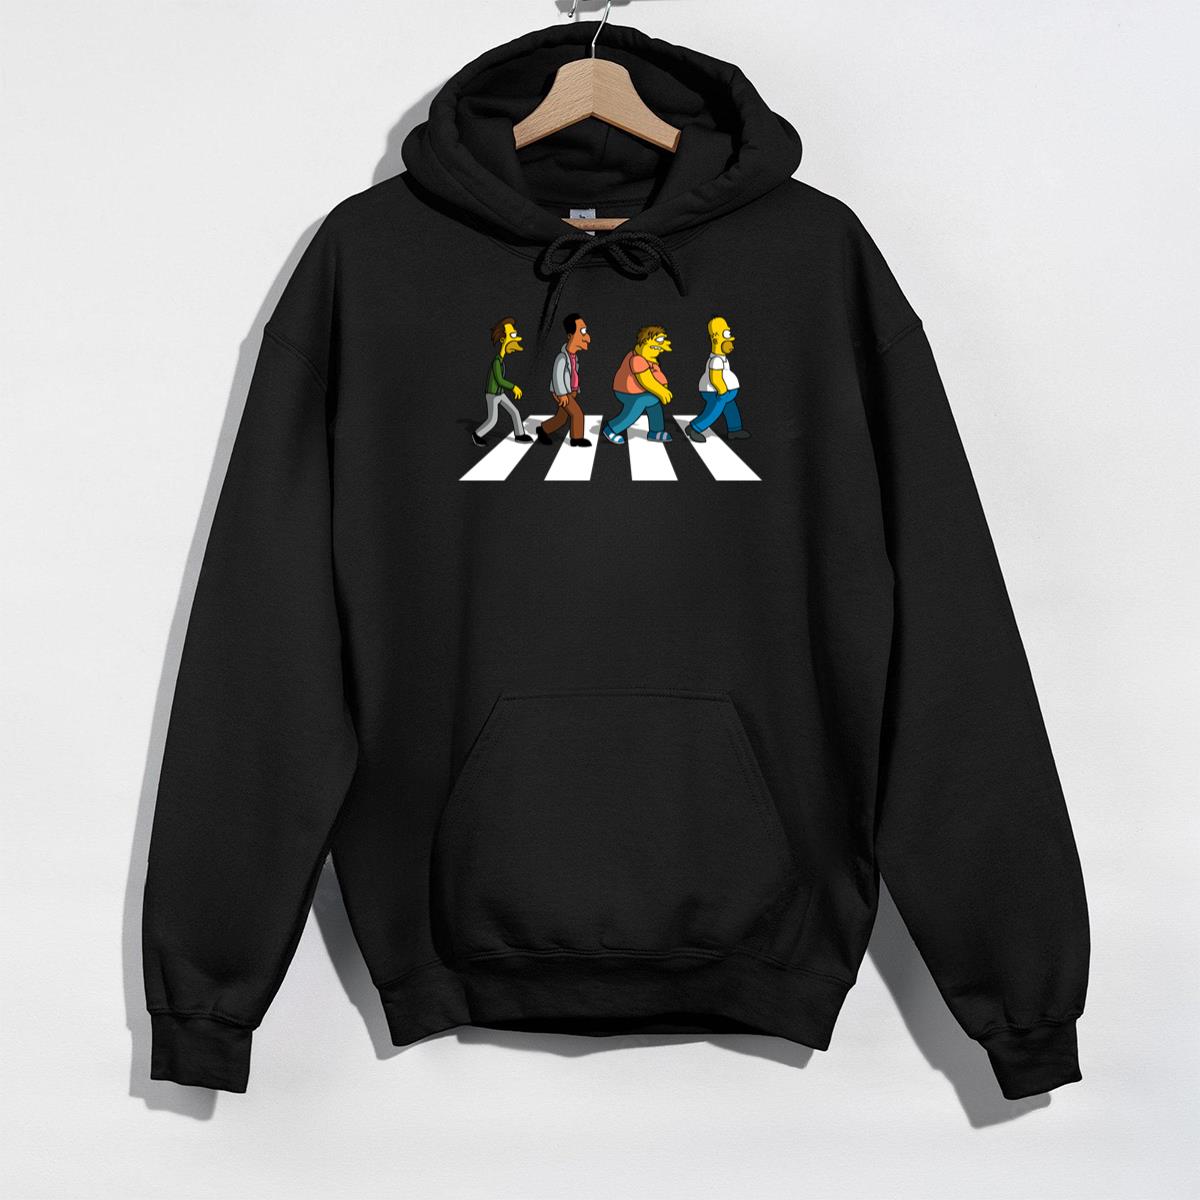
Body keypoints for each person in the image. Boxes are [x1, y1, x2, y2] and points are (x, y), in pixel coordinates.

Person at [602, 325, 674, 445]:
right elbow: (646, 380)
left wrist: (663, 387)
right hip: (626, 392)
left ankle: (656, 431)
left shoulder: (651, 360)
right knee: (640, 403)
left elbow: (658, 377)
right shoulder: (637, 359)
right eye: (657, 342)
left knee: (653, 401)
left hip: (641, 391)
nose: (659, 348)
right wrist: (661, 391)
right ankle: (612, 429)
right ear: (644, 341)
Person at [686, 315, 748, 441]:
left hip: (725, 392)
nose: (730, 341)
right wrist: (722, 391)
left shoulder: (722, 358)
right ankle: (694, 428)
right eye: (726, 335)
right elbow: (715, 378)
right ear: (715, 339)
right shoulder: (716, 360)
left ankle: (735, 430)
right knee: (714, 410)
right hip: (715, 391)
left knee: (730, 408)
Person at [473, 317, 531, 446]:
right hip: (492, 395)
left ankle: (520, 435)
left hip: (500, 393)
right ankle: (477, 434)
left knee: (514, 411)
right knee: (492, 420)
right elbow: (499, 380)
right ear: (503, 340)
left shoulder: (501, 361)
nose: (516, 338)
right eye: (512, 335)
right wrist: (514, 387)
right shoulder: (496, 362)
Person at [537, 312, 592, 447]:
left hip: (570, 392)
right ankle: (576, 438)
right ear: (570, 336)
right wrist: (561, 394)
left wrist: (575, 389)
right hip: (562, 392)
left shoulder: (574, 357)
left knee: (561, 418)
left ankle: (543, 429)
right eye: (582, 331)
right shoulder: (562, 358)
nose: (587, 337)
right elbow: (557, 377)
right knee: (577, 414)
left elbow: (573, 374)